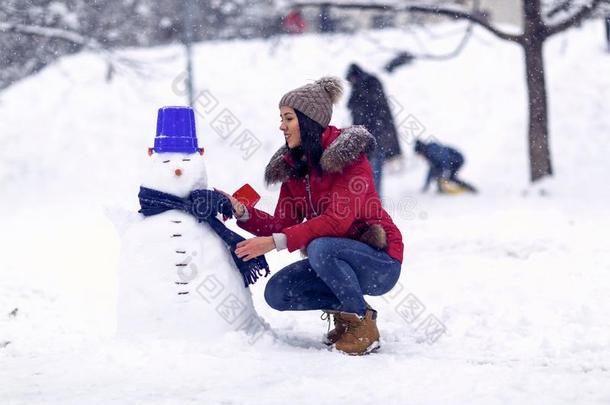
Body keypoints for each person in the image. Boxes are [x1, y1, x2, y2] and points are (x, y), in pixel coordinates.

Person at [217, 77, 404, 355]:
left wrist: (273, 243)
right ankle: (347, 313)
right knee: (278, 292)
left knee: (320, 246)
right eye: (281, 118)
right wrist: (243, 212)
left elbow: (336, 221)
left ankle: (362, 325)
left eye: (288, 118)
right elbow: (280, 224)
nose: (282, 126)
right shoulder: (295, 169)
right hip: (333, 257)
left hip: (380, 261)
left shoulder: (351, 160)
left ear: (307, 120)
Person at [346, 63, 402, 197]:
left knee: (375, 168)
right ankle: (370, 199)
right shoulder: (359, 88)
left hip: (377, 135)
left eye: (351, 79)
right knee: (366, 169)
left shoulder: (371, 83)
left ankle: (375, 200)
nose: (351, 83)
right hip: (366, 137)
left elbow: (375, 106)